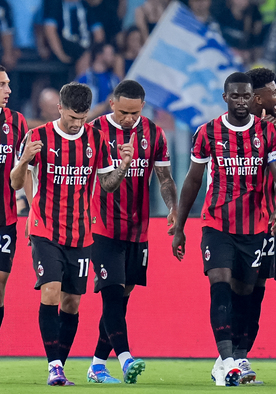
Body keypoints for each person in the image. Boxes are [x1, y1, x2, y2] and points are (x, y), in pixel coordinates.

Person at [10, 82, 133, 386]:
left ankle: (59, 368)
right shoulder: (38, 137)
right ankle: (53, 366)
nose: (76, 124)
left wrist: (124, 166)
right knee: (50, 291)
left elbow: (106, 184)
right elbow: (15, 183)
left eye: (82, 118)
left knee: (71, 304)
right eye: (71, 118)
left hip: (80, 233)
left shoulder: (97, 139)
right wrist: (24, 159)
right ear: (60, 108)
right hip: (44, 227)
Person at [172, 72, 276, 387]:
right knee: (219, 284)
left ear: (253, 97)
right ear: (225, 97)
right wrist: (179, 226)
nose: (240, 101)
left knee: (248, 295)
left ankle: (236, 356)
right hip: (217, 223)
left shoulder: (267, 133)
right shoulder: (207, 132)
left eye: (245, 96)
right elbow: (193, 179)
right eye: (234, 96)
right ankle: (227, 362)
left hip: (255, 226)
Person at [86, 80, 177, 384]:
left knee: (120, 301)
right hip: (102, 227)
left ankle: (97, 364)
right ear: (112, 103)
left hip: (138, 231)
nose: (128, 119)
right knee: (111, 295)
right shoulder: (95, 131)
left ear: (142, 106)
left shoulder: (153, 133)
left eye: (134, 113)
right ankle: (126, 360)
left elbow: (164, 179)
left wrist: (174, 208)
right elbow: (97, 182)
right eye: (123, 112)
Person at [225, 67, 276, 384]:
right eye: (273, 92)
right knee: (237, 290)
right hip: (235, 224)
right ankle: (229, 356)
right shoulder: (231, 132)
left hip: (268, 223)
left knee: (257, 292)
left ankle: (241, 355)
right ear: (257, 97)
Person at [0, 65, 28, 333]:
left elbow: (25, 170)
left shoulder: (17, 121)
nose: (8, 90)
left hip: (5, 217)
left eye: (7, 84)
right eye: (1, 85)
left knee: (0, 280)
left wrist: (31, 211)